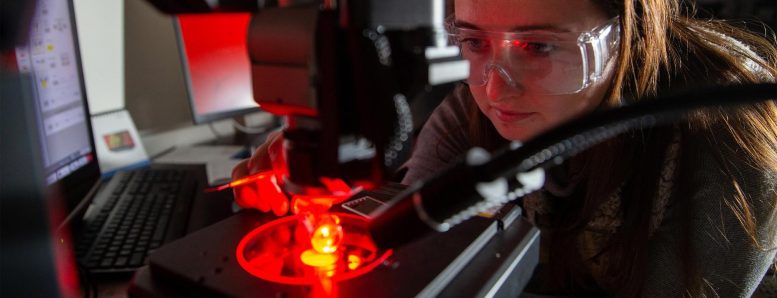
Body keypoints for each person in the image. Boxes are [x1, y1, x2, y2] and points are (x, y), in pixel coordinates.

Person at [233, 0, 777, 296]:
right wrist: (335, 168)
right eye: (473, 43)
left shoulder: (730, 132)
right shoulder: (472, 110)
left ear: (625, 33)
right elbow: (410, 236)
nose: (494, 89)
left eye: (538, 47)